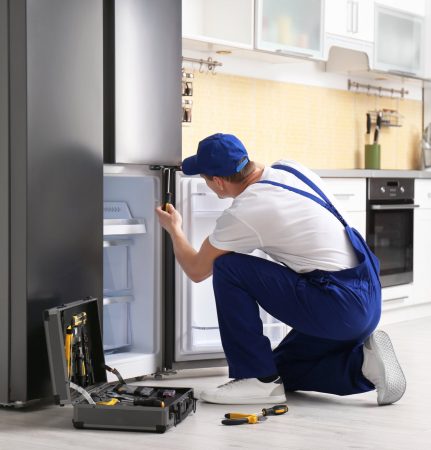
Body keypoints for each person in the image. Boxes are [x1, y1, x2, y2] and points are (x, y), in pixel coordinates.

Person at [155, 133, 406, 406]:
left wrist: (175, 229)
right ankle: (363, 366)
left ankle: (255, 379)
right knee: (279, 370)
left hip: (338, 306)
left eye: (205, 178)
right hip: (366, 295)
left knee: (228, 267)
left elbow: (196, 269)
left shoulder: (246, 210)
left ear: (217, 181)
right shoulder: (289, 168)